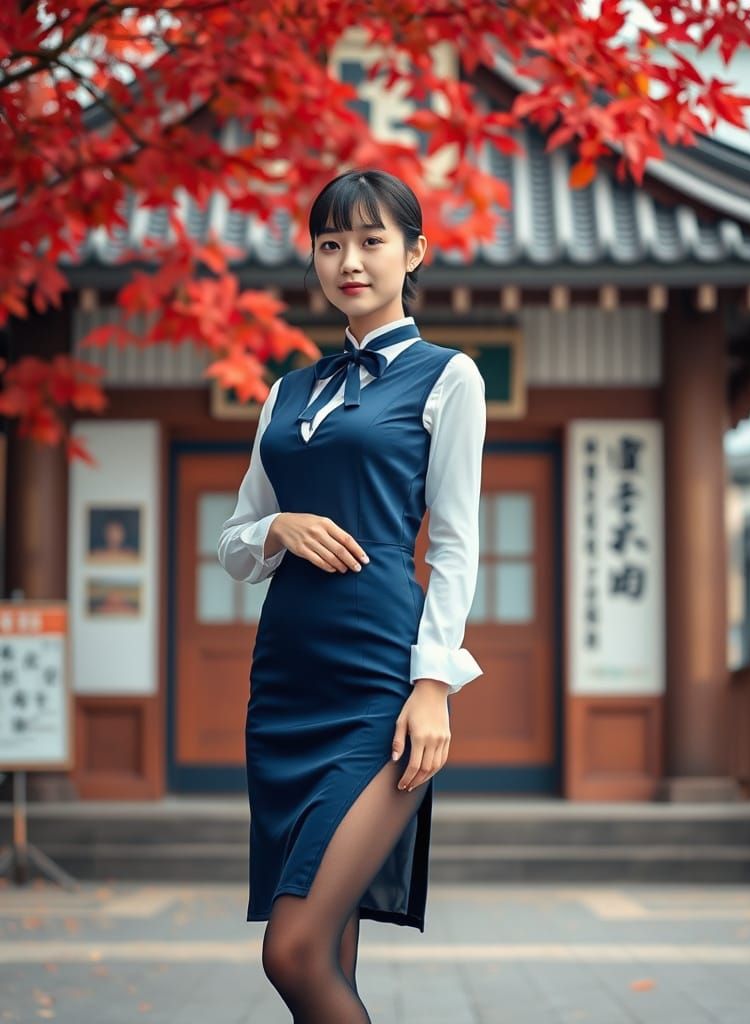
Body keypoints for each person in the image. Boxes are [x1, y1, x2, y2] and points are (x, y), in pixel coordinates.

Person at [217, 168, 486, 1022]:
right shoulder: (286, 392)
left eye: (372, 241)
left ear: (415, 253)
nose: (350, 261)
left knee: (291, 952)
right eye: (330, 244)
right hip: (287, 686)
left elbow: (453, 544)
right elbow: (234, 540)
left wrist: (433, 686)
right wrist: (276, 530)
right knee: (326, 958)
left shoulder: (449, 377)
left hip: (379, 684)